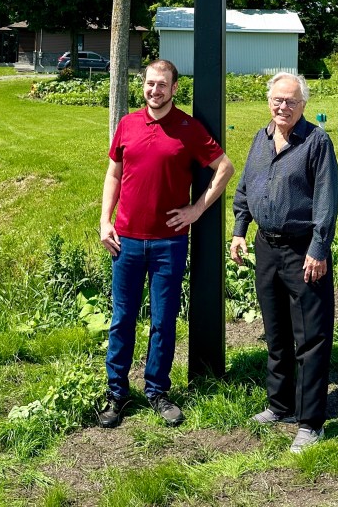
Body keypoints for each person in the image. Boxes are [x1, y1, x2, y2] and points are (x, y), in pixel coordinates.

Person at [98, 59, 234, 428]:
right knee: (122, 320)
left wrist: (196, 209)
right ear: (143, 85)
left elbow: (225, 167)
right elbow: (114, 173)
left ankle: (157, 391)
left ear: (174, 88)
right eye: (150, 83)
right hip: (125, 241)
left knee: (163, 321)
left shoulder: (188, 128)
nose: (154, 90)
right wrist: (105, 220)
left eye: (162, 84)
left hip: (168, 244)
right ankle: (117, 393)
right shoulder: (127, 124)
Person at [230, 71, 338, 453]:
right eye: (278, 100)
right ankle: (280, 406)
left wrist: (319, 249)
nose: (283, 107)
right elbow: (246, 187)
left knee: (310, 338)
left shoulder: (316, 142)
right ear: (269, 101)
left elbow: (326, 199)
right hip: (266, 248)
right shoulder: (260, 140)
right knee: (276, 332)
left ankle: (310, 423)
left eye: (291, 101)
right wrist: (240, 230)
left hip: (303, 251)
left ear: (303, 105)